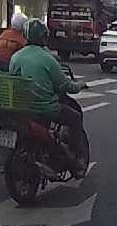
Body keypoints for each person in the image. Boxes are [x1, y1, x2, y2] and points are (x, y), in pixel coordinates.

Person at [9, 20, 89, 176]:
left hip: (23, 107)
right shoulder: (48, 59)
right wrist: (79, 85)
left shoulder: (16, 57)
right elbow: (65, 85)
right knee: (75, 117)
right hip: (46, 108)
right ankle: (78, 155)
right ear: (43, 37)